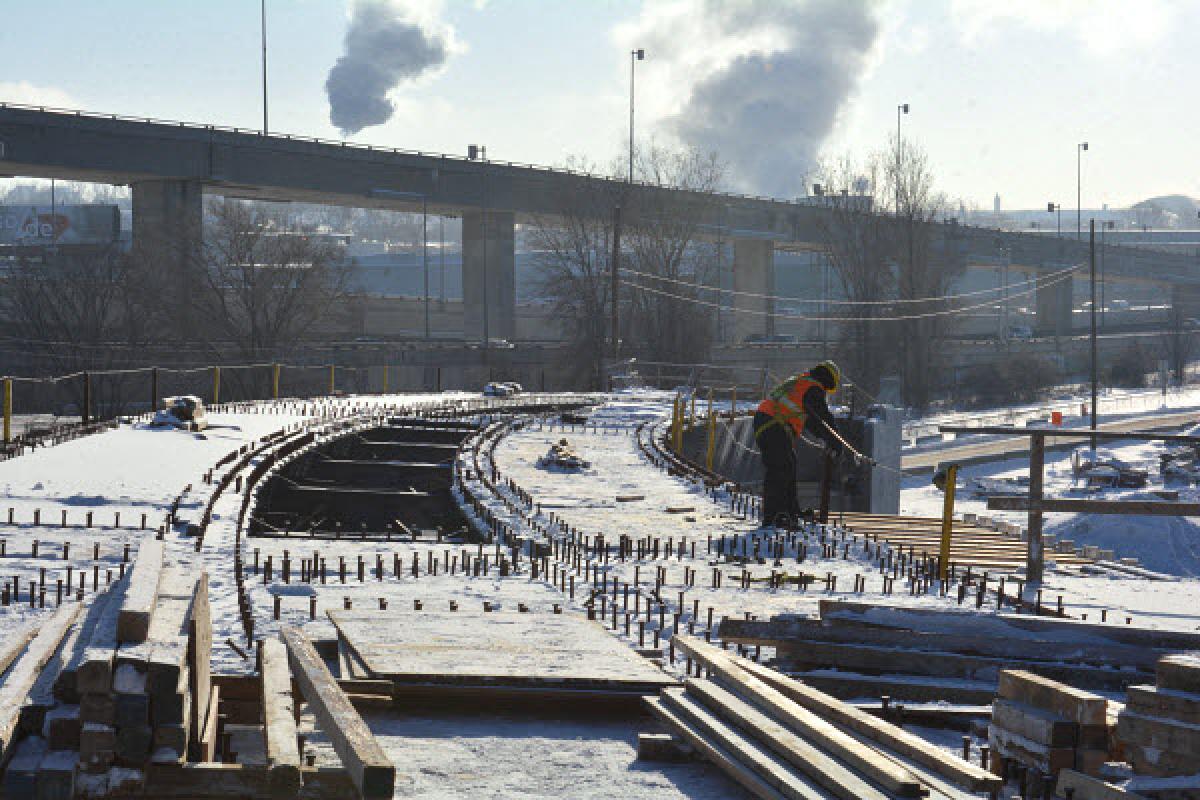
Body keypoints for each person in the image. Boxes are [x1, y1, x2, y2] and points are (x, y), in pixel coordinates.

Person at [753, 361, 844, 528]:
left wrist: (827, 438)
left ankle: (790, 511)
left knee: (789, 464)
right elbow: (822, 418)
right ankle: (774, 516)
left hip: (769, 422)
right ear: (828, 380)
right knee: (781, 468)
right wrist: (836, 442)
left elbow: (811, 421)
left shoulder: (802, 382)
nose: (826, 392)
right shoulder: (813, 388)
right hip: (773, 424)